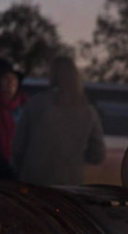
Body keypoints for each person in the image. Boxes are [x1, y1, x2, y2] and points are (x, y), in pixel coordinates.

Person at [13, 52, 107, 185]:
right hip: (70, 184)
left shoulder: (36, 104)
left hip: (34, 183)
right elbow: (98, 155)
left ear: (52, 75)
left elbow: (18, 147)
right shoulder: (88, 112)